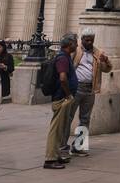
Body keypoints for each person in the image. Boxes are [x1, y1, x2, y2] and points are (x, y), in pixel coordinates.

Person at [69, 31, 111, 156]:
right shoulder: (76, 51)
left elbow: (107, 69)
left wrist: (106, 61)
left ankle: (79, 146)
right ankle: (62, 146)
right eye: (87, 40)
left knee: (85, 119)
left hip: (90, 89)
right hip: (76, 88)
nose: (89, 43)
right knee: (68, 117)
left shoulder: (97, 52)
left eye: (91, 40)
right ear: (81, 39)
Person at [44, 35, 78, 169]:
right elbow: (63, 78)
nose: (76, 45)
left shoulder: (66, 56)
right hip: (61, 98)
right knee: (56, 130)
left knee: (61, 128)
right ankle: (50, 159)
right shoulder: (63, 58)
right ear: (69, 44)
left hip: (63, 97)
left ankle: (56, 155)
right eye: (75, 43)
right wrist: (69, 95)